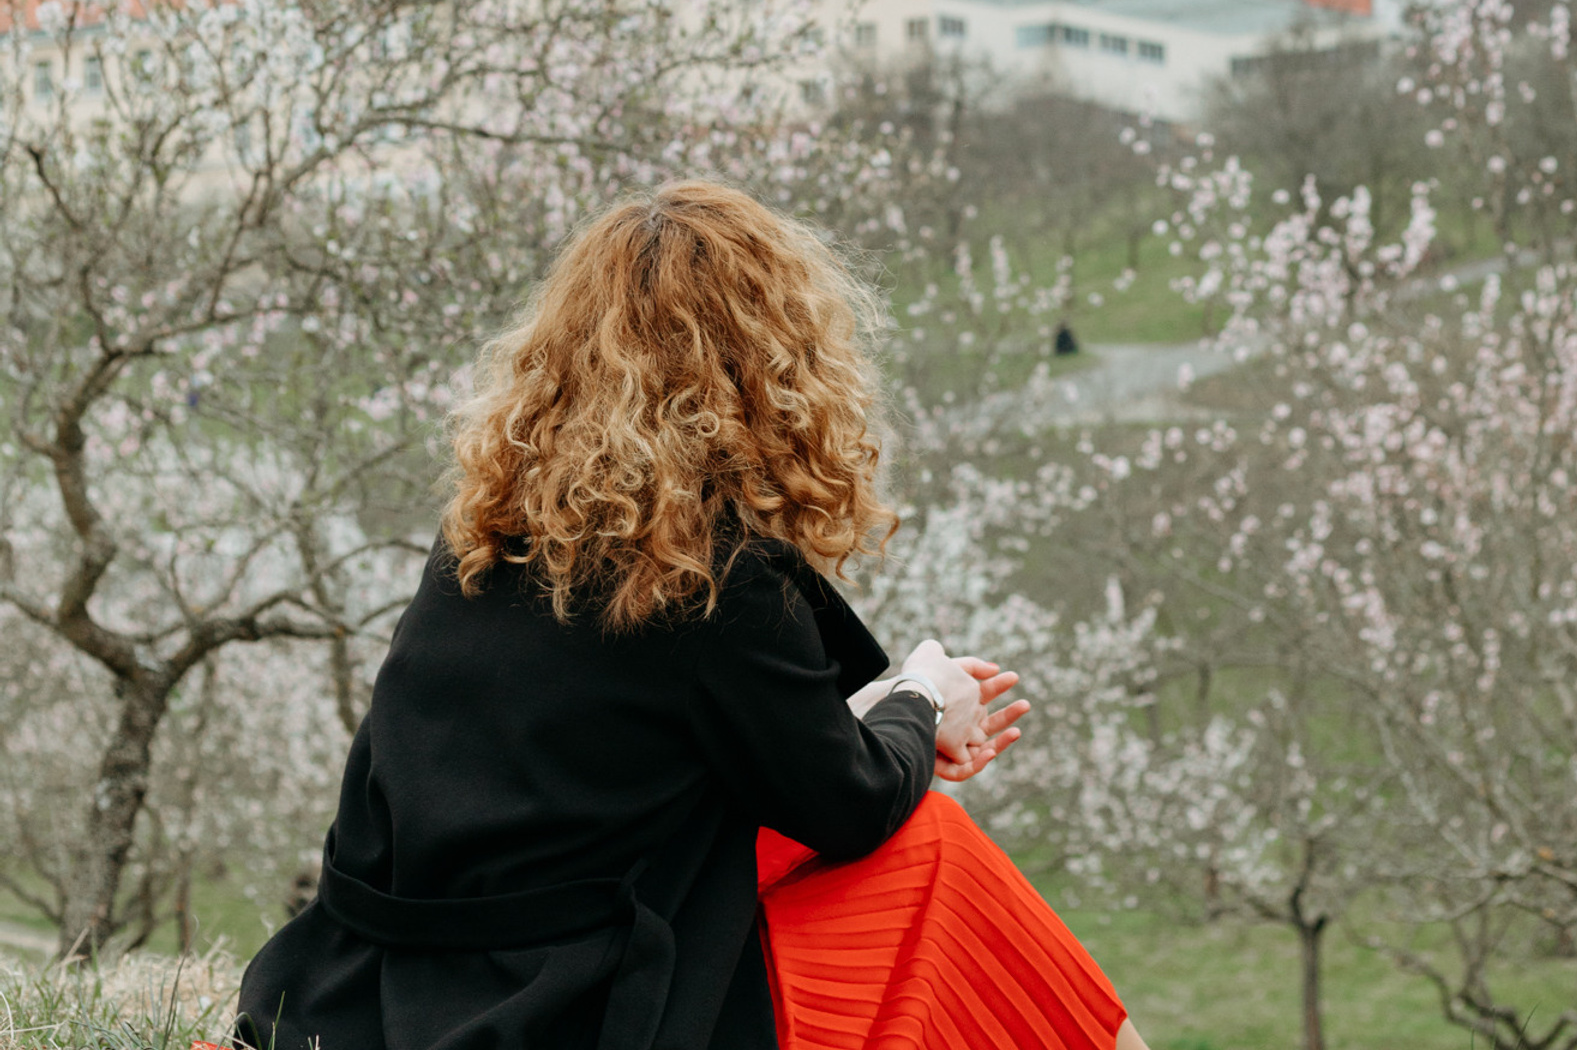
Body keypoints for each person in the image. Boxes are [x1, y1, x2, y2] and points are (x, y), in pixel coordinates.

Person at [237, 180, 1150, 1050]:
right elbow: (855, 808)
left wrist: (869, 724)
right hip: (570, 1011)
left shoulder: (486, 531)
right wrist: (921, 694)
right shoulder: (716, 582)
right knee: (938, 855)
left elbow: (613, 765)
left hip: (366, 993)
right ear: (775, 360)